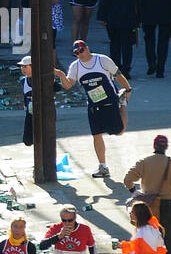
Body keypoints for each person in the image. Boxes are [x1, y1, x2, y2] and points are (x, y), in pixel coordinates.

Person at [53, 39, 131, 179]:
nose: (80, 54)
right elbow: (68, 85)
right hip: (93, 105)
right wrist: (61, 75)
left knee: (119, 131)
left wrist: (127, 88)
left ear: (87, 48)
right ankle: (103, 166)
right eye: (77, 53)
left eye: (81, 50)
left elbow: (118, 75)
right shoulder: (75, 66)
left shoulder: (102, 60)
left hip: (109, 101)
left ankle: (122, 103)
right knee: (96, 135)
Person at [124, 134, 171, 254]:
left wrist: (134, 193)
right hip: (168, 206)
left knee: (148, 240)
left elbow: (128, 179)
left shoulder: (145, 162)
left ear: (154, 146)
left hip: (148, 207)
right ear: (166, 147)